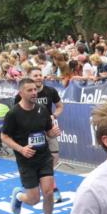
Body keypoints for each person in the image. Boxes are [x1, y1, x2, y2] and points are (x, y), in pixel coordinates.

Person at [1, 78, 62, 214]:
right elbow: (4, 136)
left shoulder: (42, 110)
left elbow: (48, 132)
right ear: (21, 93)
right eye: (30, 90)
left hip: (44, 157)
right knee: (34, 199)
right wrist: (21, 149)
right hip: (26, 161)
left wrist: (52, 133)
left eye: (35, 89)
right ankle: (19, 196)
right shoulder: (13, 114)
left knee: (48, 192)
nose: (34, 93)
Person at [30, 67, 65, 204]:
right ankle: (53, 188)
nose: (38, 77)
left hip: (49, 128)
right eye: (35, 75)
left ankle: (46, 181)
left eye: (40, 75)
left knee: (54, 156)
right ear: (29, 77)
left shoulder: (50, 91)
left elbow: (60, 106)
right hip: (33, 132)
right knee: (40, 161)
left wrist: (54, 115)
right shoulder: (24, 94)